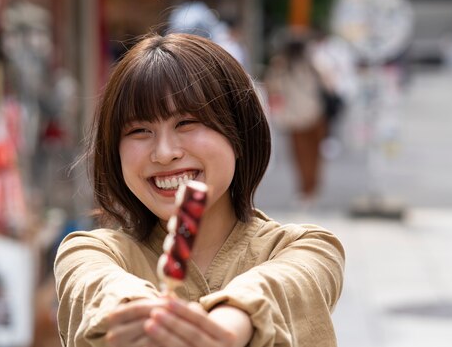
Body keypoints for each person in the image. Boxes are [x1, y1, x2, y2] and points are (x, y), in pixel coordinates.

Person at [54, 33, 345, 347]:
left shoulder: (307, 248)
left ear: (239, 134)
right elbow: (98, 287)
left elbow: (282, 286)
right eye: (140, 130)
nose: (164, 153)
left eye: (187, 122)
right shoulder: (90, 252)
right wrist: (138, 318)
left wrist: (233, 321)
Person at [265, 35, 328, 208]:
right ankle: (312, 187)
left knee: (300, 157)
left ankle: (305, 189)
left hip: (295, 118)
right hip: (314, 115)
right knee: (315, 155)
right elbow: (328, 81)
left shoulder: (280, 64)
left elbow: (272, 87)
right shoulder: (311, 63)